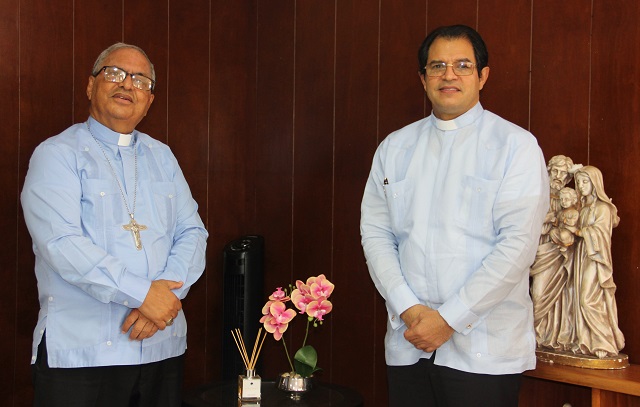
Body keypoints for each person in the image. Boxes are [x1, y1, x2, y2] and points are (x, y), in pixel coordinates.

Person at [360, 25, 549, 407]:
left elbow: (516, 247)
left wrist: (448, 320)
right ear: (423, 78)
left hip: (484, 350)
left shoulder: (515, 146)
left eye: (462, 65)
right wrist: (410, 310)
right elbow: (376, 235)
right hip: (409, 342)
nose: (449, 75)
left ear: (483, 76)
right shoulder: (395, 148)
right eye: (437, 66)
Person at [21, 43, 208, 407]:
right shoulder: (57, 154)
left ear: (150, 100)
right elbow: (61, 244)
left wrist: (164, 300)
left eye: (140, 80)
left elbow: (192, 232)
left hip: (159, 348)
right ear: (91, 86)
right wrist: (144, 295)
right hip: (82, 355)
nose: (127, 84)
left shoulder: (162, 156)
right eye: (114, 73)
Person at [573, 166, 624, 358]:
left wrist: (579, 232)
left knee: (588, 299)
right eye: (579, 182)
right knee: (577, 298)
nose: (581, 186)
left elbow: (600, 234)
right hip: (581, 256)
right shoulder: (583, 208)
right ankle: (586, 340)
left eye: (585, 182)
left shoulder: (602, 208)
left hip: (596, 258)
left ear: (595, 184)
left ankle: (604, 342)